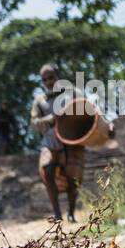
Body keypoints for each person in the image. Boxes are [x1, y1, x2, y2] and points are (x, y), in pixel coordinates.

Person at [30, 63, 83, 223]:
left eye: (51, 77)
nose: (48, 81)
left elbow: (91, 111)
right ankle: (58, 214)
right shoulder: (39, 101)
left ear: (58, 76)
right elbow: (33, 122)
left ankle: (71, 214)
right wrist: (50, 119)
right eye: (44, 79)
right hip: (50, 141)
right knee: (46, 170)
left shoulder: (73, 93)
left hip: (72, 141)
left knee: (74, 178)